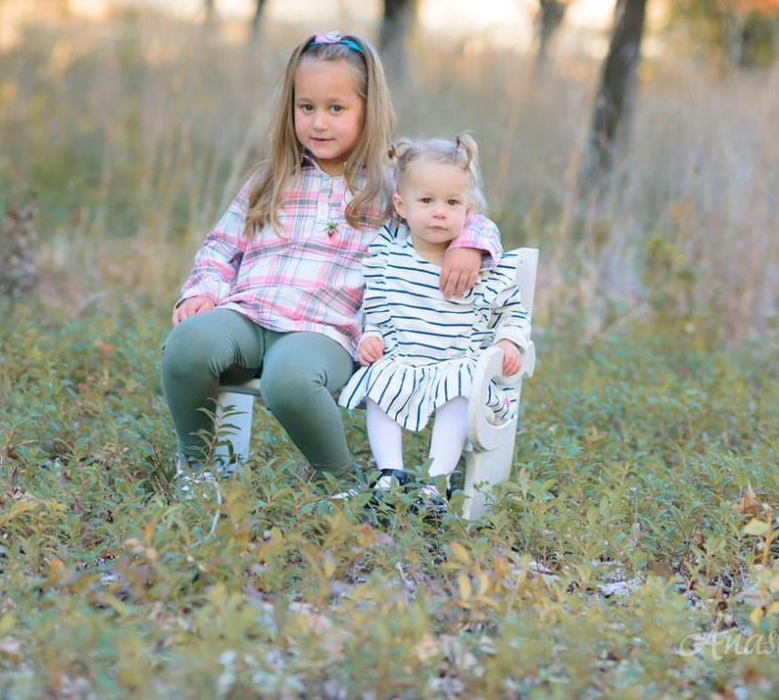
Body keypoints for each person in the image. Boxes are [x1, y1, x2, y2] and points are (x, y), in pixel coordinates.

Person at [161, 32, 502, 489]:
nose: (319, 123)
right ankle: (199, 469)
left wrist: (470, 243)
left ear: (368, 109)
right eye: (307, 108)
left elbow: (456, 206)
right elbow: (222, 247)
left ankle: (345, 485)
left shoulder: (389, 186)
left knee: (290, 379)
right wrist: (202, 290)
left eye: (336, 109)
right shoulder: (272, 178)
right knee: (187, 344)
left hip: (326, 332)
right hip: (248, 315)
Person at [336, 133, 531, 516]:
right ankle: (389, 474)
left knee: (461, 393)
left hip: (458, 362)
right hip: (405, 359)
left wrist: (509, 341)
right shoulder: (389, 253)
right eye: (427, 201)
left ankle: (435, 484)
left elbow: (512, 309)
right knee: (379, 381)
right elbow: (373, 304)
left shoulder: (482, 263)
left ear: (468, 209)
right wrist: (371, 335)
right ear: (401, 205)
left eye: (452, 202)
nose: (439, 211)